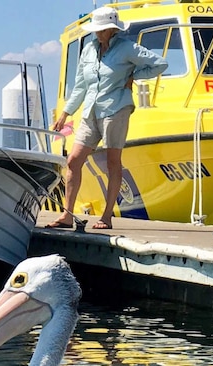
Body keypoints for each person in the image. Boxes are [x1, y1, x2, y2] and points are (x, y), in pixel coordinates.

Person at [47, 6, 168, 230]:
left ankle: (106, 217)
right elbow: (81, 86)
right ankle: (66, 215)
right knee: (74, 160)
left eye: (102, 30)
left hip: (116, 109)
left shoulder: (127, 48)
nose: (98, 33)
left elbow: (160, 64)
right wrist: (66, 113)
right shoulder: (89, 50)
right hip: (90, 111)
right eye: (96, 29)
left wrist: (134, 76)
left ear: (113, 29)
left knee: (113, 162)